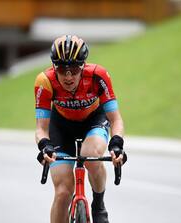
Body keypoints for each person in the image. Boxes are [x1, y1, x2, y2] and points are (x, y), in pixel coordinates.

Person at [34, 35, 127, 223]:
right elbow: (41, 129)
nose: (68, 76)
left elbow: (115, 119)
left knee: (91, 155)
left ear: (82, 66)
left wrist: (116, 144)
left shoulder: (98, 76)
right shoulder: (45, 81)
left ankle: (98, 205)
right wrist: (45, 146)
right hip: (60, 127)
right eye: (62, 69)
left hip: (93, 120)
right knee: (62, 192)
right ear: (54, 67)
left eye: (74, 69)